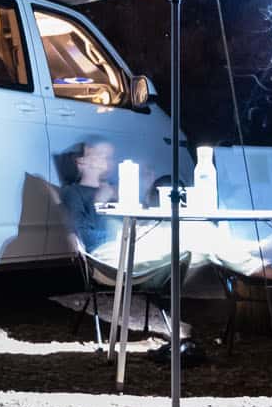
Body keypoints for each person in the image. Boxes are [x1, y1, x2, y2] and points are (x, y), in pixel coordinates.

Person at [59, 138, 205, 354]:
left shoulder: (119, 190)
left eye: (109, 156)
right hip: (107, 256)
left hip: (133, 248)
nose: (107, 161)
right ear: (81, 162)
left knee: (185, 240)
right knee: (185, 243)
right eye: (100, 155)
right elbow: (85, 235)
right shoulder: (74, 193)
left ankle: (220, 250)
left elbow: (140, 220)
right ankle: (241, 256)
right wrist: (101, 204)